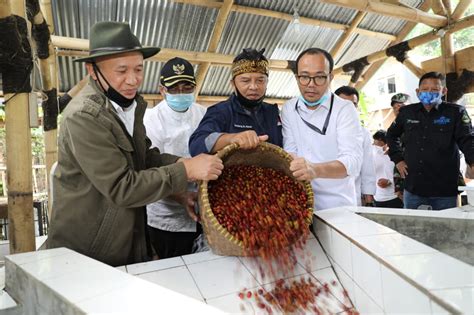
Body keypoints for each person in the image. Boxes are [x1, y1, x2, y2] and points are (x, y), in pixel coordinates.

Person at [45, 21, 223, 266]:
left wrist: (183, 163)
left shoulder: (130, 106)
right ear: (92, 70)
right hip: (89, 252)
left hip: (126, 239)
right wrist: (187, 171)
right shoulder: (84, 117)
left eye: (138, 69)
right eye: (121, 71)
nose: (133, 80)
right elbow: (122, 187)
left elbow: (145, 157)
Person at [282, 48, 363, 211]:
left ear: (330, 77)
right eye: (304, 77)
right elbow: (290, 150)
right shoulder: (289, 108)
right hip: (301, 205)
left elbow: (353, 161)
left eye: (319, 77)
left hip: (337, 206)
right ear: (297, 77)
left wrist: (315, 170)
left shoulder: (345, 109)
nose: (311, 84)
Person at [143, 57, 207, 259]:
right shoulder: (151, 120)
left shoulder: (203, 114)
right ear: (162, 90)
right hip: (166, 216)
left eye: (187, 87)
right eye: (174, 89)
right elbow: (151, 170)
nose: (181, 93)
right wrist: (180, 196)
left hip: (201, 210)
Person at [386, 71, 474, 210]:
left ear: (444, 91)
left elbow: (467, 140)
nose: (429, 92)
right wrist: (398, 159)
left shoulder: (455, 112)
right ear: (417, 91)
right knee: (412, 229)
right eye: (425, 89)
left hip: (444, 189)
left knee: (446, 228)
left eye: (434, 89)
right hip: (413, 187)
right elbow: (391, 135)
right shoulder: (407, 112)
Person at [189, 48, 282, 155]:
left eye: (260, 80)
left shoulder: (273, 112)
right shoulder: (221, 111)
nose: (253, 87)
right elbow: (196, 145)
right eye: (245, 81)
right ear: (233, 84)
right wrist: (231, 138)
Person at [334, 86, 376, 206]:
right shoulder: (320, 128)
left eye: (353, 105)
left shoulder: (363, 133)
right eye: (344, 104)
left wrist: (368, 198)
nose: (349, 108)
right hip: (322, 199)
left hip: (352, 197)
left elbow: (367, 166)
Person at [372, 130, 404, 208]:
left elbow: (402, 175)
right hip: (377, 198)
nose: (373, 144)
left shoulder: (396, 157)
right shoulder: (371, 156)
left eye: (375, 141)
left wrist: (389, 182)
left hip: (394, 197)